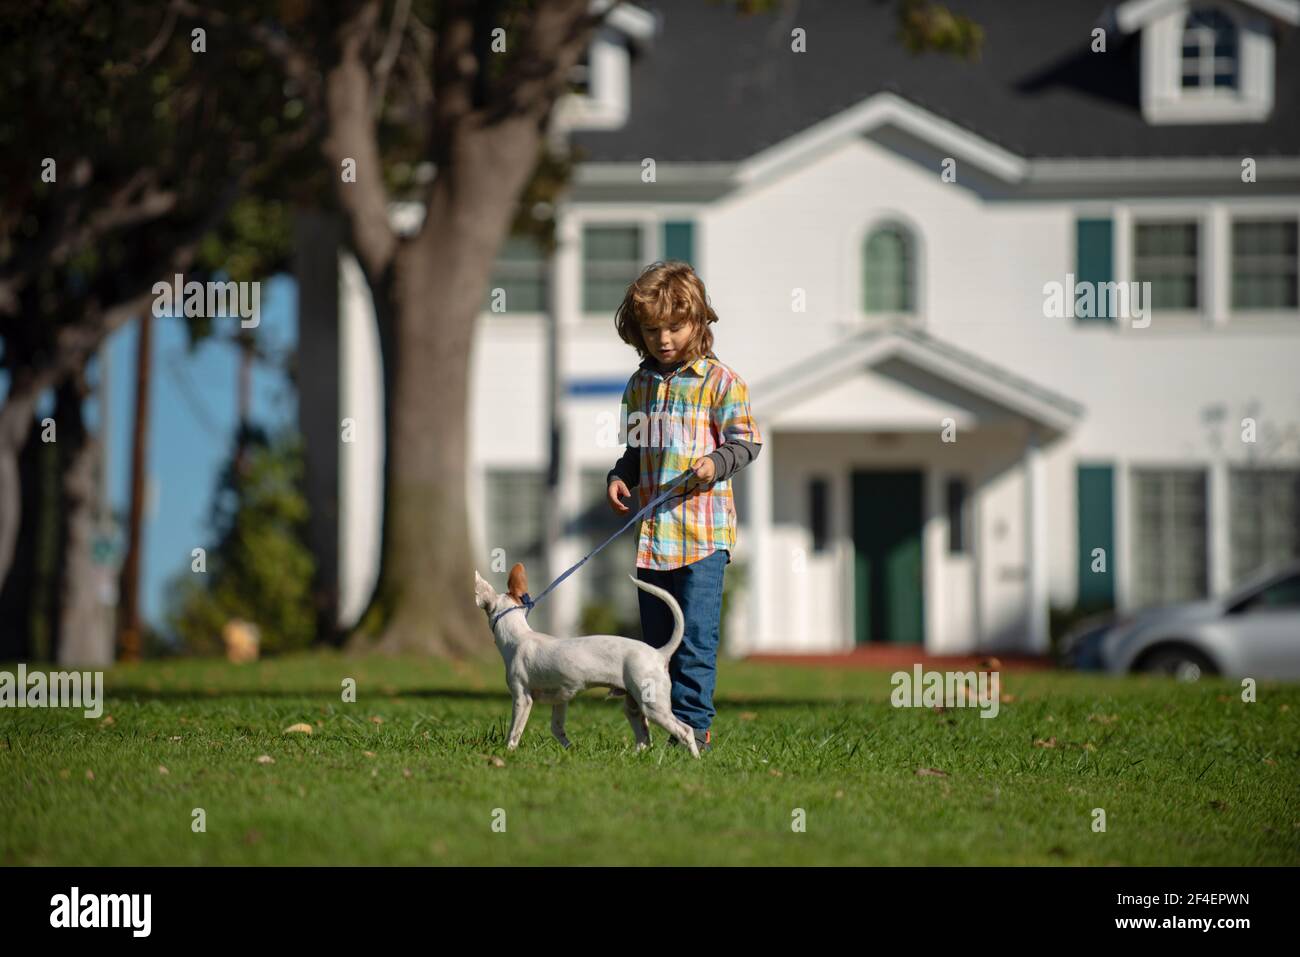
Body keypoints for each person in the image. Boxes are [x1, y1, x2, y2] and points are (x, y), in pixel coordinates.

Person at [606, 260, 762, 752]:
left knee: (693, 642)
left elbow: (747, 442)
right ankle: (659, 726)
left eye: (675, 326)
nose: (664, 338)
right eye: (652, 330)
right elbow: (636, 450)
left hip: (701, 538)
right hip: (653, 539)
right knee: (655, 647)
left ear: (699, 321)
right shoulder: (640, 387)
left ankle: (695, 731)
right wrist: (620, 476)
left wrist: (716, 464)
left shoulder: (720, 382)